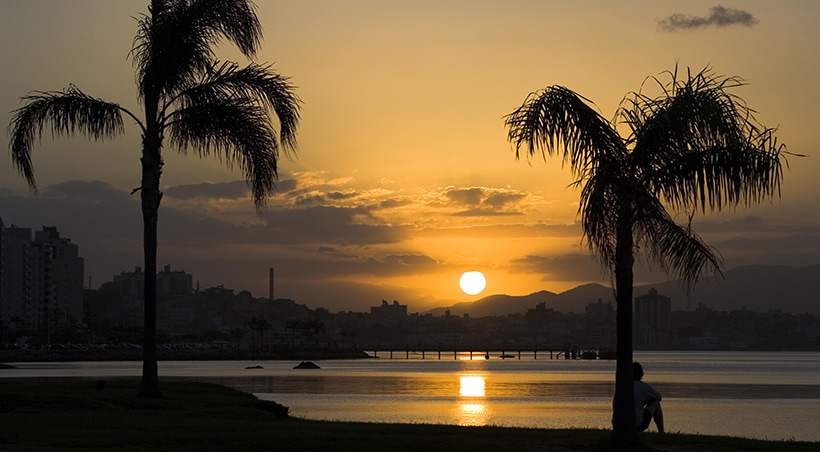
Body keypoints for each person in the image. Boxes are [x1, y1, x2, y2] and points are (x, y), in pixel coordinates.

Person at [633, 361, 664, 433]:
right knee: (656, 402)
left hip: (619, 424)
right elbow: (658, 397)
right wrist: (647, 400)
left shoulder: (621, 386)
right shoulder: (643, 387)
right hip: (637, 424)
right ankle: (661, 432)